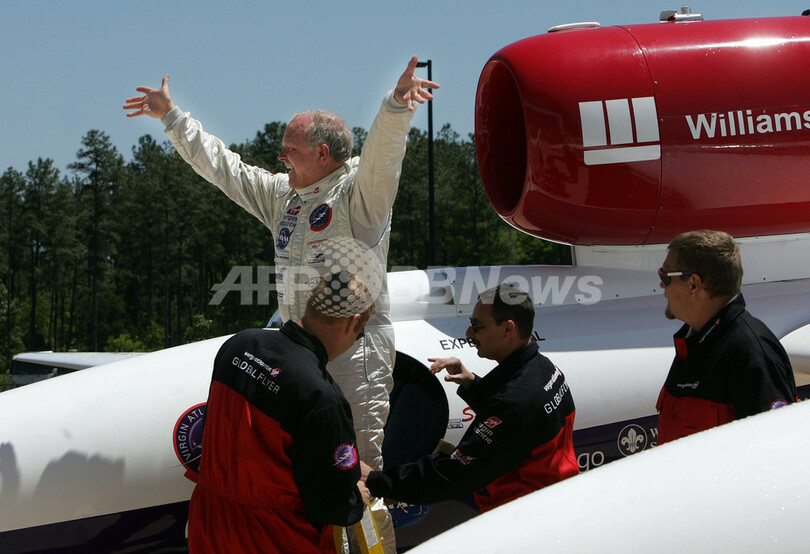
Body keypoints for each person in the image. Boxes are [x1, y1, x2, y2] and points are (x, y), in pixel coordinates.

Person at [124, 58, 438, 552]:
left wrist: (396, 106)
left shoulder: (359, 197)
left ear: (322, 153)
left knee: (357, 478)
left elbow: (383, 158)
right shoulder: (285, 197)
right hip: (298, 356)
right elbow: (226, 169)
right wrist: (172, 118)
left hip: (353, 355)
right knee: (298, 476)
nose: (280, 155)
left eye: (290, 148)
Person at [186, 272, 375, 553]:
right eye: (360, 335)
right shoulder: (321, 396)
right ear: (352, 321)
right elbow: (332, 506)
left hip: (210, 524)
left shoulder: (239, 345)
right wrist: (355, 496)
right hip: (274, 536)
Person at [362, 283, 579, 514]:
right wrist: (472, 384)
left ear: (508, 329)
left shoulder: (514, 403)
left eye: (477, 326)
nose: (469, 333)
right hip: (557, 497)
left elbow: (454, 474)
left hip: (522, 514)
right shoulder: (546, 370)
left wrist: (376, 481)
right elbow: (516, 431)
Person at [656, 229, 798, 444]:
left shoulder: (751, 355)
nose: (661, 285)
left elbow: (774, 449)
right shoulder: (694, 344)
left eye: (665, 276)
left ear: (694, 284)